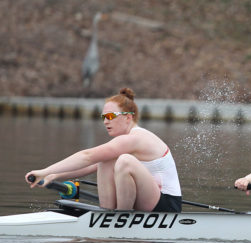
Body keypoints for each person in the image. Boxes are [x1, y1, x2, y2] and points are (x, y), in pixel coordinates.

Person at [25, 87, 183, 212]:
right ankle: (107, 213)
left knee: (124, 161)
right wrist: (53, 176)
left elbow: (87, 156)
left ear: (128, 117)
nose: (105, 122)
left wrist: (44, 171)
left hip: (167, 204)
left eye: (110, 116)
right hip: (148, 200)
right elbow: (89, 165)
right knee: (105, 160)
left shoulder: (136, 138)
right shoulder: (123, 143)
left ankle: (121, 217)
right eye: (103, 117)